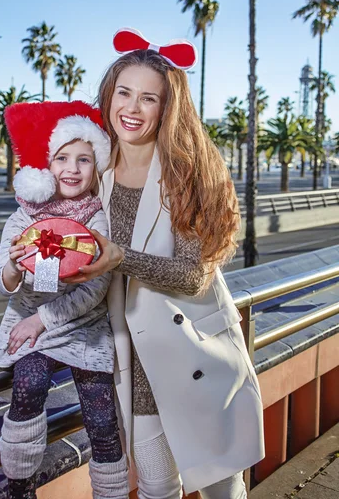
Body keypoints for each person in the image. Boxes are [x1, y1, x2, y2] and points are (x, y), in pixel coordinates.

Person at [66, 29, 265, 499]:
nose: (131, 109)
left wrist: (120, 258)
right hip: (131, 359)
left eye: (148, 98)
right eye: (124, 92)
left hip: (192, 349)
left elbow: (193, 276)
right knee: (157, 488)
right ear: (109, 94)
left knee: (222, 488)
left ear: (168, 107)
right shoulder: (95, 167)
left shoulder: (189, 173)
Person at [0, 101, 129, 499]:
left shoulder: (96, 219)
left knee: (101, 418)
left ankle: (112, 492)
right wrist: (14, 269)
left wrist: (40, 320)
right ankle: (20, 488)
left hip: (84, 329)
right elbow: (1, 281)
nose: (72, 168)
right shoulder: (22, 219)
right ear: (45, 165)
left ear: (96, 166)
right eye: (62, 157)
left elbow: (94, 289)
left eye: (84, 159)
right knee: (28, 382)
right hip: (34, 325)